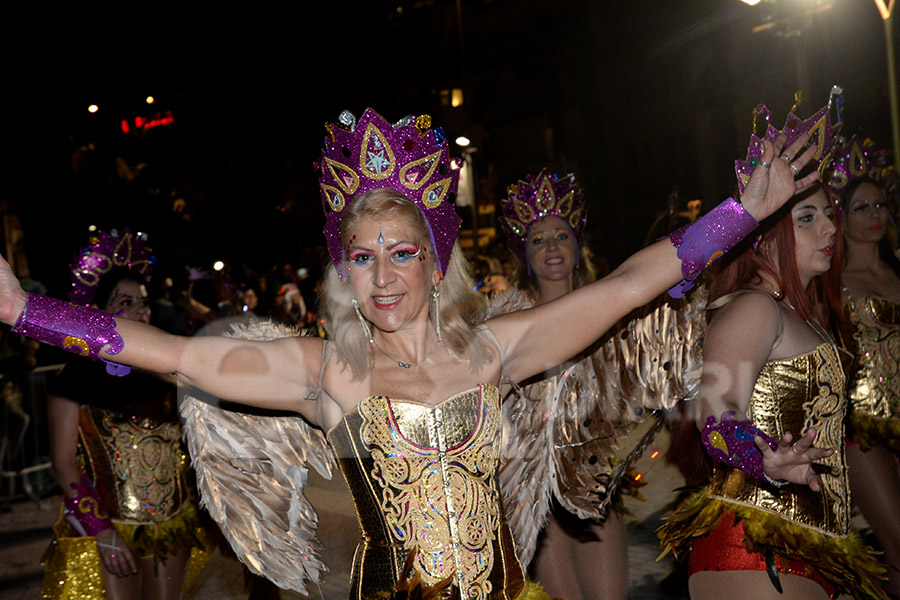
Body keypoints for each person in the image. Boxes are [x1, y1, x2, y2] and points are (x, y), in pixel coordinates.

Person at [0, 107, 818, 599]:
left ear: (435, 261)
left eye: (402, 253)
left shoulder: (495, 350)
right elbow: (175, 356)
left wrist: (739, 215)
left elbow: (633, 284)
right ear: (344, 270)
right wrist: (23, 310)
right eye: (363, 256)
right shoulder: (327, 372)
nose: (384, 276)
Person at [659, 172, 890, 597]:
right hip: (754, 543)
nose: (830, 228)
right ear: (763, 237)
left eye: (828, 214)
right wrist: (759, 455)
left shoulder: (807, 316)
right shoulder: (754, 307)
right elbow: (715, 402)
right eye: (807, 217)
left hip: (824, 545)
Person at [488, 169, 700, 600]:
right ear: (523, 254)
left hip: (593, 487)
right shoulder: (503, 321)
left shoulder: (611, 309)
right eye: (538, 239)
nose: (551, 247)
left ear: (577, 243)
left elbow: (656, 356)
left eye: (560, 235)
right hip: (532, 498)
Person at [41, 230, 208, 600]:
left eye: (144, 303)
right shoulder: (74, 378)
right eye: (125, 302)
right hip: (109, 526)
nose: (140, 311)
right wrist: (100, 530)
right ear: (100, 313)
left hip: (173, 521)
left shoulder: (170, 370)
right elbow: (63, 463)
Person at [830, 136, 900, 598]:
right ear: (841, 216)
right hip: (863, 425)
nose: (874, 215)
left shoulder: (898, 271)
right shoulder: (831, 284)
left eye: (879, 205)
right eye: (860, 207)